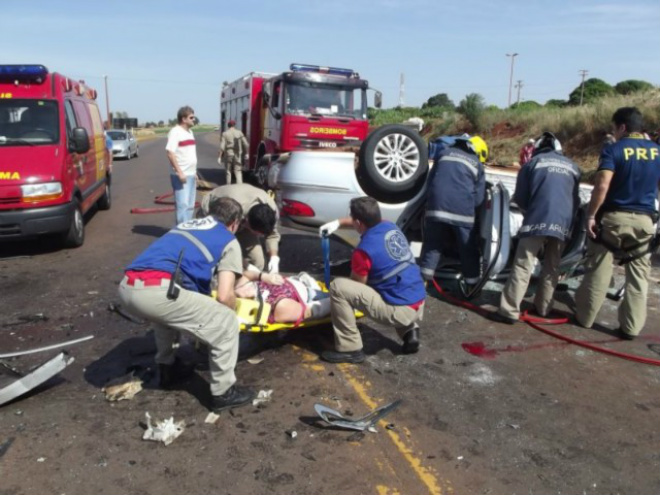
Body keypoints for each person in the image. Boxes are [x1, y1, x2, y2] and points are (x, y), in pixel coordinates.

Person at [118, 197, 255, 412]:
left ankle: (167, 368)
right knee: (226, 321)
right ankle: (223, 392)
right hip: (159, 291)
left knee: (166, 314)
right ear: (235, 223)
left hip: (128, 287)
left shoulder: (185, 225)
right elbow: (224, 296)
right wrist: (223, 324)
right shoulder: (228, 239)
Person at [574, 107, 660, 340]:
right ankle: (630, 328)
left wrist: (591, 215)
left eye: (615, 128)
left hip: (613, 220)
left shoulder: (614, 150)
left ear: (622, 127)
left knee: (599, 269)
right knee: (638, 278)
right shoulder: (657, 152)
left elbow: (602, 185)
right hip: (644, 221)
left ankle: (585, 318)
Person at [318, 197, 426, 363]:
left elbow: (357, 287)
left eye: (353, 220)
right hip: (417, 300)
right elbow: (364, 222)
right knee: (390, 279)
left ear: (359, 223)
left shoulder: (363, 251)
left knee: (339, 287)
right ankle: (410, 333)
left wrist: (336, 305)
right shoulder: (390, 226)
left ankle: (350, 348)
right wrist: (338, 223)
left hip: (400, 311)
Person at [488, 132, 581, 324]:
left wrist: (528, 213)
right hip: (563, 222)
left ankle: (509, 310)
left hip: (537, 218)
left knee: (524, 263)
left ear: (537, 149)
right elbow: (576, 199)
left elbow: (521, 198)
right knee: (552, 265)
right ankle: (544, 308)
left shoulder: (532, 164)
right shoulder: (573, 167)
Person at [419, 135, 488, 293]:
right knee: (467, 248)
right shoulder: (476, 163)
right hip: (462, 213)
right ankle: (472, 285)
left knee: (432, 245)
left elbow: (430, 182)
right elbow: (479, 198)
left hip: (435, 208)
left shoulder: (443, 154)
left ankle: (422, 282)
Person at [200, 183, 280, 272]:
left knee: (257, 261)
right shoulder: (230, 210)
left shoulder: (272, 211)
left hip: (242, 217)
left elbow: (272, 235)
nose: (260, 237)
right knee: (216, 260)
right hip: (213, 212)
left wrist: (274, 258)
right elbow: (222, 243)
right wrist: (246, 265)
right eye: (258, 234)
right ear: (247, 222)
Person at [234, 270, 330, 324]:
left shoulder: (239, 287)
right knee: (337, 298)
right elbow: (310, 311)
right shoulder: (278, 307)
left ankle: (305, 280)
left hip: (294, 281)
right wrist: (335, 302)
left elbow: (246, 274)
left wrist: (262, 276)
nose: (242, 292)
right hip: (309, 294)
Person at [166, 106, 197, 224]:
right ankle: (181, 231)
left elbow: (190, 154)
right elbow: (170, 153)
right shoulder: (175, 132)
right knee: (182, 205)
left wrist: (195, 173)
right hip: (181, 176)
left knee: (190, 205)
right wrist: (179, 172)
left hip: (191, 174)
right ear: (183, 119)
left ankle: (187, 228)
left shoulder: (190, 132)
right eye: (191, 117)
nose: (194, 119)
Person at [219, 120, 249, 185]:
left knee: (228, 172)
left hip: (228, 154)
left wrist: (219, 157)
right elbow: (246, 144)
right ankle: (239, 188)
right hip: (238, 155)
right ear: (234, 125)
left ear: (228, 125)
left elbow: (222, 146)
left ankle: (228, 188)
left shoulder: (225, 133)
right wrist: (246, 153)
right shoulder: (239, 133)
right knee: (238, 171)